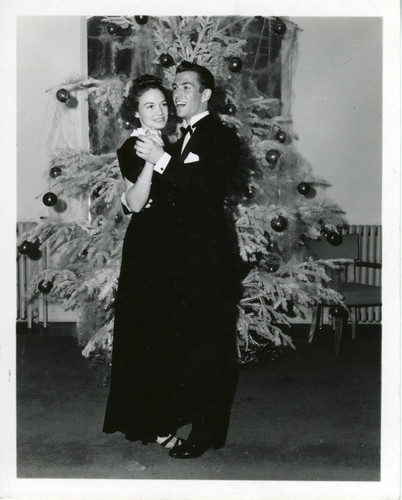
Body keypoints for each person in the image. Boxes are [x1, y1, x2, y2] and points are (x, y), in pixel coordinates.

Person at [134, 61, 242, 459]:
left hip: (207, 264)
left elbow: (206, 192)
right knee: (190, 348)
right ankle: (197, 423)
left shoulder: (221, 137)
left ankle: (207, 433)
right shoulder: (180, 138)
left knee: (210, 349)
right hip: (179, 265)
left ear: (206, 94)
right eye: (174, 87)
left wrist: (162, 160)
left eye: (185, 87)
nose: (177, 94)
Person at [103, 75, 185, 450]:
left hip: (176, 246)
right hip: (148, 250)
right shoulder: (130, 148)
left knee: (171, 333)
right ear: (136, 112)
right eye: (150, 106)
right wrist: (151, 161)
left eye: (163, 104)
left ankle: (166, 414)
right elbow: (135, 203)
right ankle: (150, 423)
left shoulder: (179, 143)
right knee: (149, 333)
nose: (159, 111)